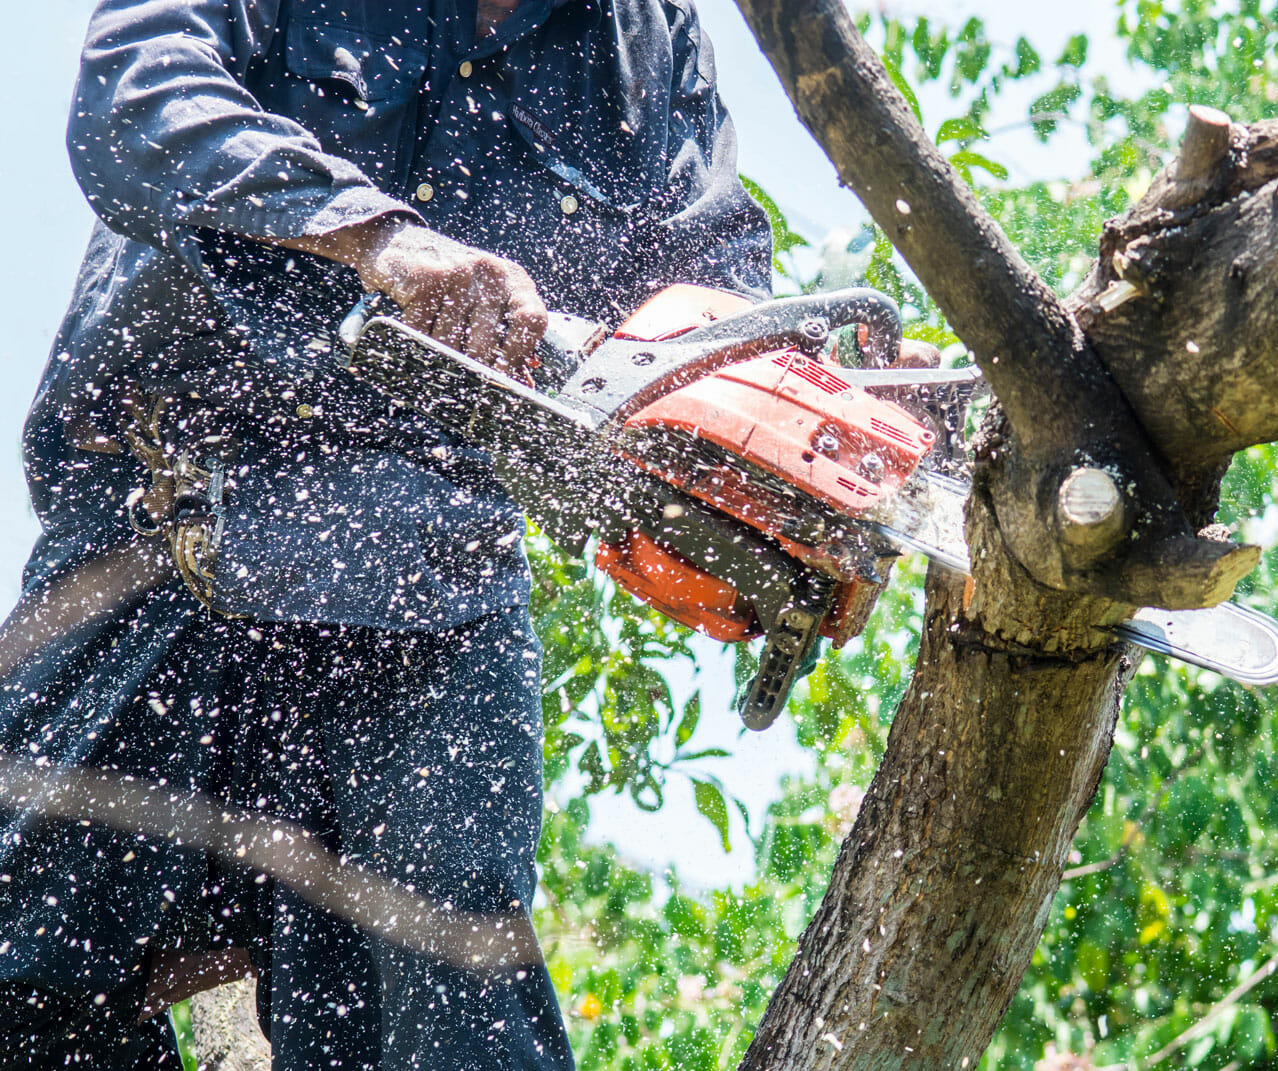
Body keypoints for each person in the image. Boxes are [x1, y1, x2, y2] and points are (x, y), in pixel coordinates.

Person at [0, 0, 772, 1067]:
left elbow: (705, 286)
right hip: (169, 517)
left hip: (429, 571)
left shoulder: (640, 39)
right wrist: (376, 237)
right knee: (24, 976)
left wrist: (764, 446)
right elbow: (134, 99)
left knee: (449, 1004)